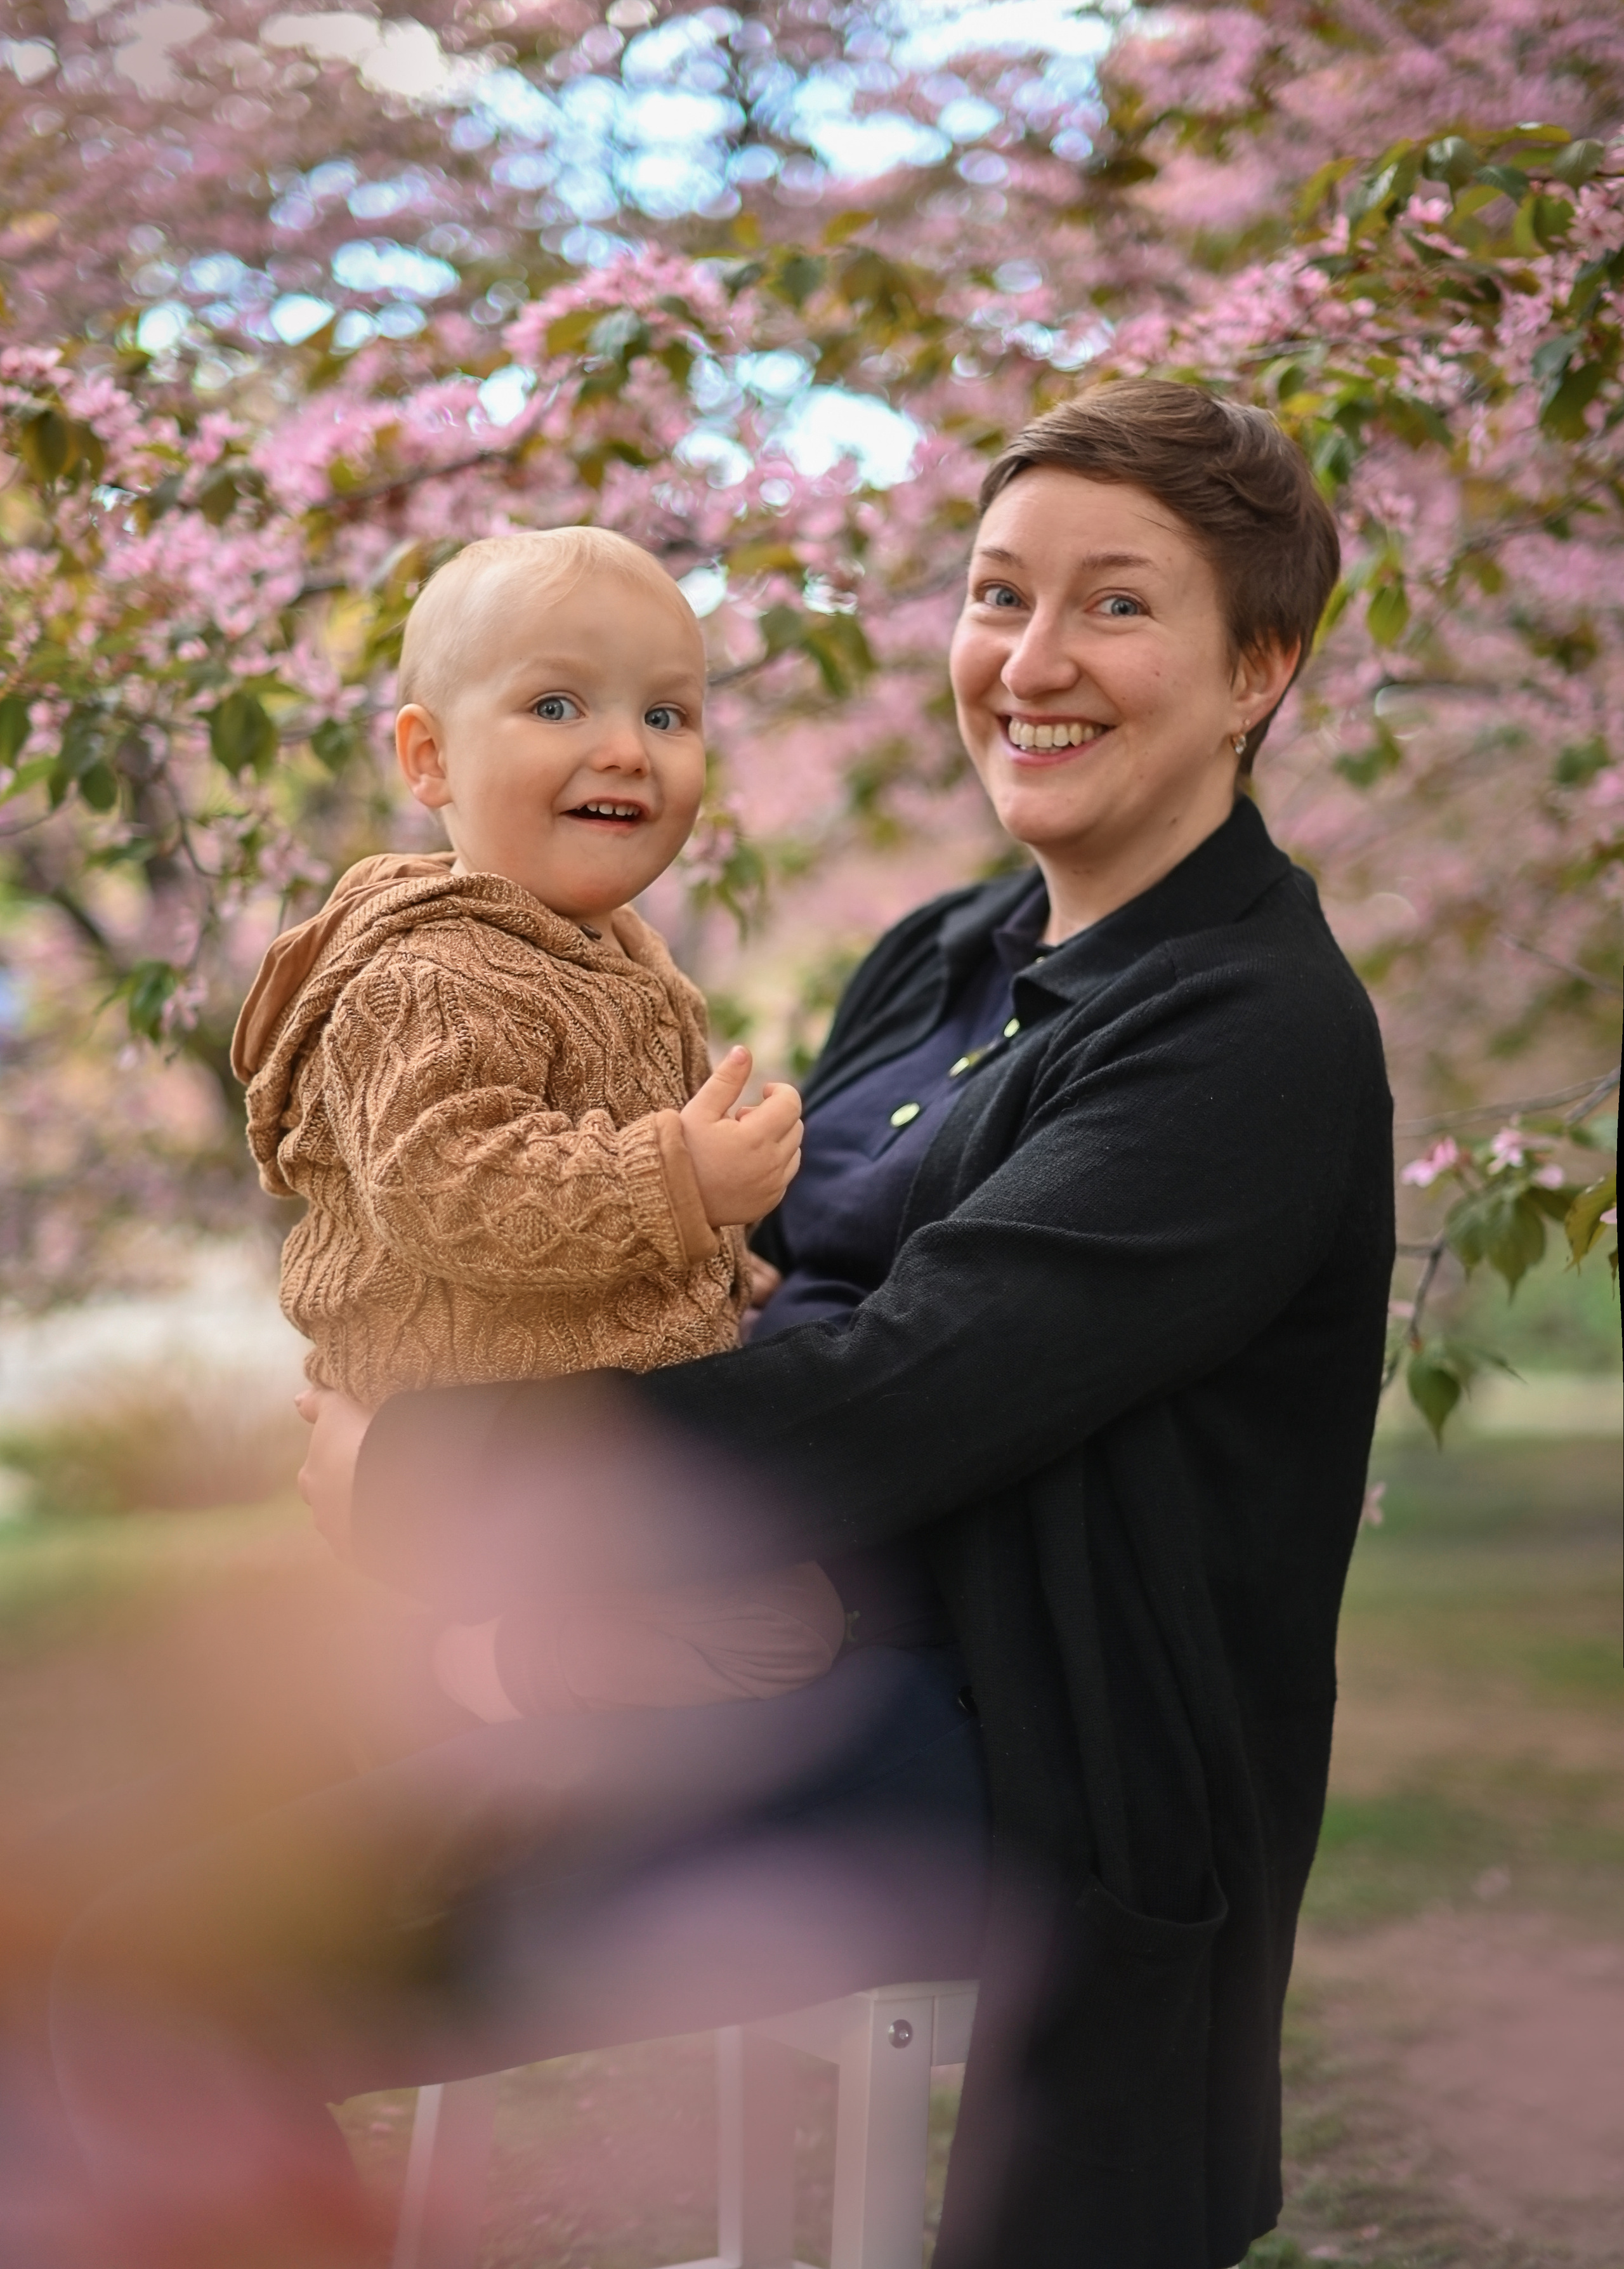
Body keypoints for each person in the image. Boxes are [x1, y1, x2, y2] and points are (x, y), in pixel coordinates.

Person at [54, 380, 1393, 2269]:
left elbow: (905, 1395)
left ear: (1258, 669)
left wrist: (442, 1473)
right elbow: (747, 1291)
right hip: (723, 1638)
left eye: (1115, 604)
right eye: (998, 594)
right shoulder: (943, 954)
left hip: (1002, 1733)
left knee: (153, 1971)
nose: (1031, 662)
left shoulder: (1245, 1031)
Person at [231, 525, 843, 1721]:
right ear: (430, 758)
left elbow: (590, 1172)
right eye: (556, 705)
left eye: (667, 715)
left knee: (790, 1603)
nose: (625, 748)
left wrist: (726, 1267)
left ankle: (525, 1698)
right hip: (475, 1428)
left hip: (556, 1423)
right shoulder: (433, 976)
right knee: (783, 1625)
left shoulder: (605, 955)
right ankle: (472, 1679)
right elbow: (450, 1188)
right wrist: (682, 1180)